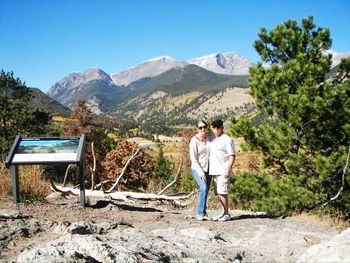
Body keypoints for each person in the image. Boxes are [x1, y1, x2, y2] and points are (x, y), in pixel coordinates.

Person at [209, 119, 236, 221]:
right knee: (219, 193)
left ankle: (226, 214)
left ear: (222, 127)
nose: (217, 129)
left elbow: (232, 156)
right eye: (214, 127)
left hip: (223, 170)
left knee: (222, 192)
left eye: (219, 127)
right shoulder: (211, 138)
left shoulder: (227, 139)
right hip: (214, 171)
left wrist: (228, 169)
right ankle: (223, 212)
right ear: (212, 128)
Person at [189, 120, 211, 220]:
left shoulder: (209, 139)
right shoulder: (194, 141)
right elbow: (193, 159)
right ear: (197, 129)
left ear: (207, 127)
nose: (203, 129)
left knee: (206, 191)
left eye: (204, 127)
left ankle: (204, 211)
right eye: (200, 127)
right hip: (197, 169)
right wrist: (201, 172)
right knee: (203, 188)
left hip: (208, 168)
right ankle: (200, 213)